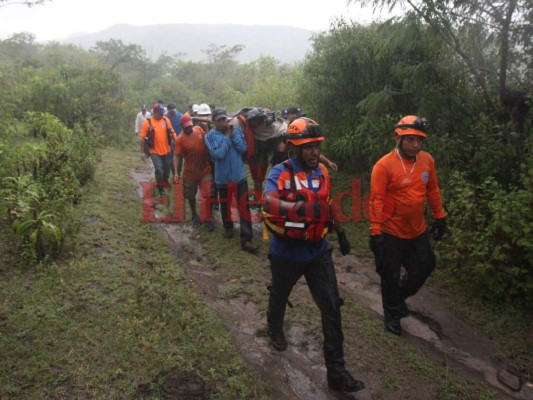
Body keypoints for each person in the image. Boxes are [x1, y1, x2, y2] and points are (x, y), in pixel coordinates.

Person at [262, 117, 364, 394]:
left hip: (318, 250)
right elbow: (268, 201)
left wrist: (340, 233)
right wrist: (298, 210)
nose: (314, 152)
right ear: (294, 148)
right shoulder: (280, 173)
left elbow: (329, 205)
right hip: (286, 251)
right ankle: (274, 327)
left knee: (331, 307)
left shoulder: (322, 172)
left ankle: (337, 372)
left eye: (317, 146)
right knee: (280, 293)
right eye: (308, 147)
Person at [369, 115, 446, 336]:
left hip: (417, 230)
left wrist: (439, 216)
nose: (415, 145)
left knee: (426, 265)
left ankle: (398, 296)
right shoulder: (383, 166)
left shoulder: (427, 161)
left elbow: (432, 190)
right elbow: (376, 200)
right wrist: (376, 232)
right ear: (398, 138)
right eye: (410, 139)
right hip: (390, 232)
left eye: (419, 140)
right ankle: (392, 314)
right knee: (389, 275)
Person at [204, 108, 258, 254]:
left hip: (239, 176)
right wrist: (227, 138)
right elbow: (218, 154)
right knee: (225, 205)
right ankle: (228, 227)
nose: (223, 122)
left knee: (244, 207)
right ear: (214, 121)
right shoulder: (209, 136)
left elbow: (243, 148)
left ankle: (246, 239)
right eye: (220, 120)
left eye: (224, 119)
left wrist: (233, 135)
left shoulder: (235, 130)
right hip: (222, 179)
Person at [173, 114, 214, 231]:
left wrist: (206, 128)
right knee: (190, 195)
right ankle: (194, 214)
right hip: (190, 172)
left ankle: (208, 218)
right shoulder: (180, 139)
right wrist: (176, 172)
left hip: (204, 169)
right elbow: (176, 156)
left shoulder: (199, 129)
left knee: (207, 194)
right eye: (186, 127)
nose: (189, 128)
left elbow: (208, 140)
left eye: (190, 126)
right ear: (181, 126)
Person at [234, 107, 286, 197]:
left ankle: (260, 195)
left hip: (263, 149)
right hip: (254, 149)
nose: (257, 125)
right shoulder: (242, 123)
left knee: (260, 176)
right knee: (256, 176)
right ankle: (257, 196)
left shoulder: (273, 125)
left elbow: (282, 129)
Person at [281, 107, 338, 171]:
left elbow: (313, 151)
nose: (300, 118)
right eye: (297, 116)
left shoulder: (303, 129)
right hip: (286, 166)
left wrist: (328, 162)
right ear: (289, 115)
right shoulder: (283, 128)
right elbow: (281, 149)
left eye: (300, 116)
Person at [139, 103, 176, 197]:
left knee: (167, 170)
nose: (162, 115)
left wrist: (177, 141)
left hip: (167, 150)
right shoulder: (147, 123)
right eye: (160, 113)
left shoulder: (166, 120)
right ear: (154, 112)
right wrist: (142, 152)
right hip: (154, 151)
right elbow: (142, 138)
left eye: (162, 113)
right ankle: (160, 190)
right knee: (159, 170)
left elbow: (172, 132)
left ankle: (164, 181)